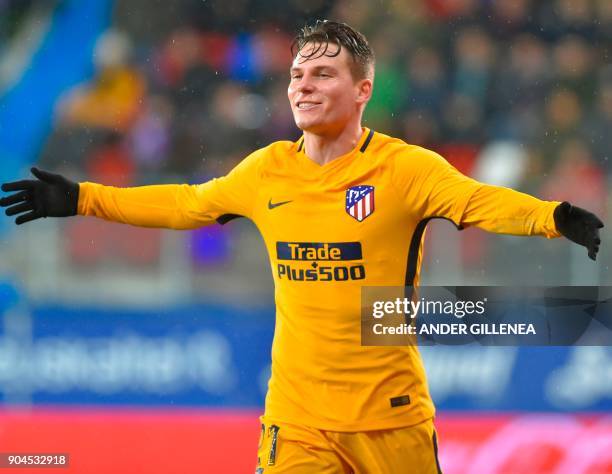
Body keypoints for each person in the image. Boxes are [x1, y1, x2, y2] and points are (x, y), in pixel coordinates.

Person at [0, 20, 604, 474]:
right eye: (295, 75)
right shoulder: (267, 170)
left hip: (391, 423)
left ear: (363, 89)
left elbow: (479, 201)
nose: (303, 86)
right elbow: (188, 204)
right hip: (297, 423)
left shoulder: (406, 169)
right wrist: (83, 199)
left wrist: (554, 217)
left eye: (322, 74)